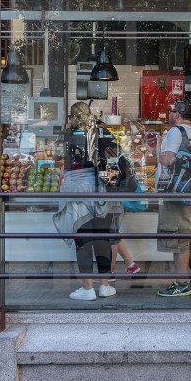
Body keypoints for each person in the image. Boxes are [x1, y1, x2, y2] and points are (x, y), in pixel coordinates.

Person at [56, 102, 121, 301]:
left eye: (71, 117)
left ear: (75, 117)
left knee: (83, 240)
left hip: (78, 191)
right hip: (101, 191)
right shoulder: (103, 132)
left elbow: (60, 161)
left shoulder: (70, 135)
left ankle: (87, 289)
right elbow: (117, 158)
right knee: (102, 239)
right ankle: (104, 286)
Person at [156, 100, 191, 297]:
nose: (169, 115)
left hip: (178, 193)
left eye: (170, 112)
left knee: (179, 238)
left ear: (177, 114)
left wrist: (159, 144)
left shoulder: (175, 131)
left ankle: (182, 284)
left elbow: (167, 161)